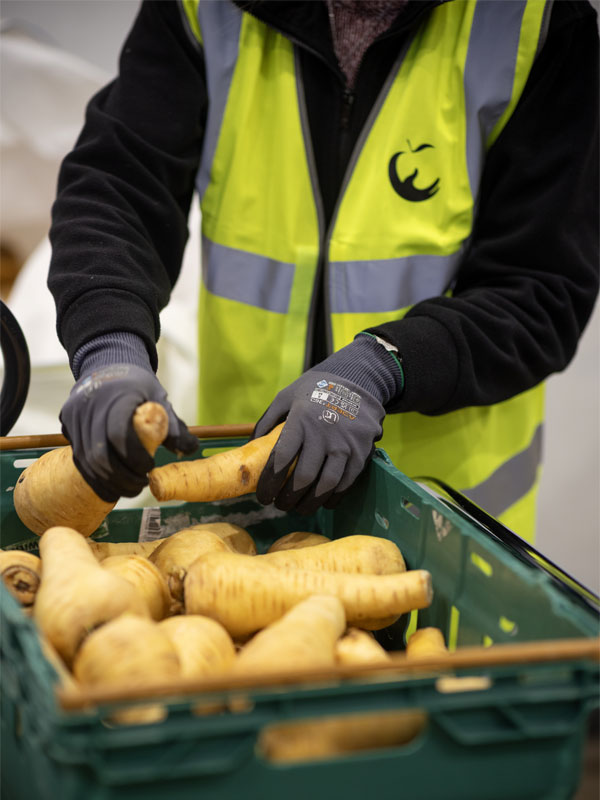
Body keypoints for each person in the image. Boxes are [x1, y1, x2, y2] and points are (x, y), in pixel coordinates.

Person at [48, 0, 599, 541]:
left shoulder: (535, 21)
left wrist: (381, 365)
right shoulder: (203, 8)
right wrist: (110, 349)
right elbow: (119, 187)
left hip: (443, 527)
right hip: (244, 498)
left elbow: (540, 287)